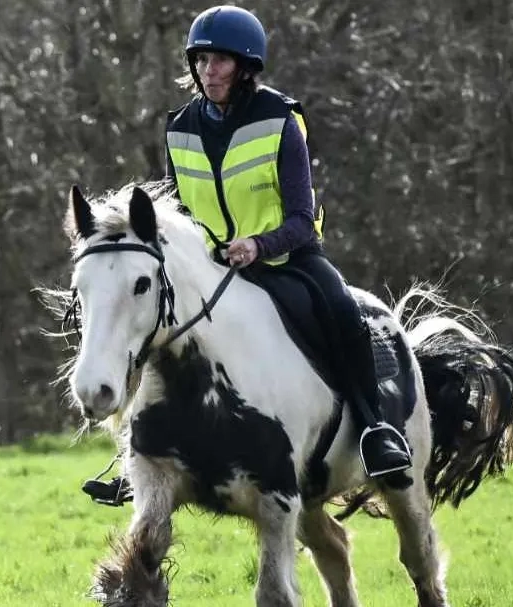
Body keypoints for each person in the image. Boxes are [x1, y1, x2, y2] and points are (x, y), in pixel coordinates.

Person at [82, 5, 411, 506]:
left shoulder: (279, 119)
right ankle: (139, 456)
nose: (209, 71)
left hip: (288, 260)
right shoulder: (180, 127)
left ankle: (376, 430)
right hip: (213, 270)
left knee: (344, 312)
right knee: (155, 323)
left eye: (221, 62)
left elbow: (302, 216)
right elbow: (176, 212)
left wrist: (260, 244)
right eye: (202, 61)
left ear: (245, 67)